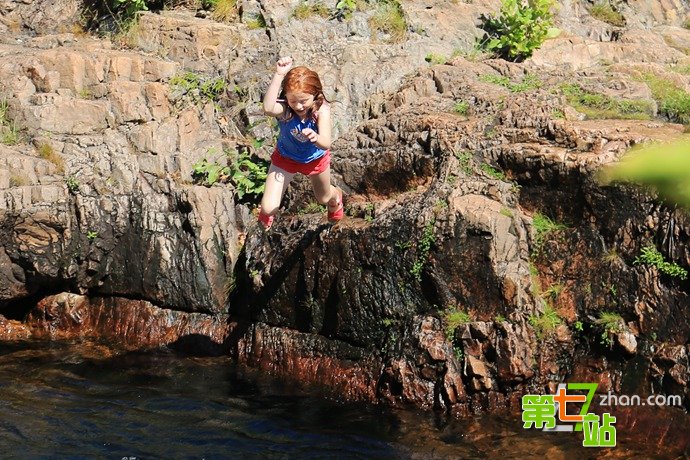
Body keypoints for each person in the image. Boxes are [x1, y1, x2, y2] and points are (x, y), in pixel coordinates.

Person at [257, 56, 344, 229]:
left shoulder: (321, 109)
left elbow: (326, 142)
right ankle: (266, 213)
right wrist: (279, 75)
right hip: (285, 158)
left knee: (323, 198)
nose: (298, 106)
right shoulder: (285, 110)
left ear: (315, 95)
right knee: (268, 208)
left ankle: (336, 197)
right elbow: (267, 108)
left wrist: (315, 137)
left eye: (303, 101)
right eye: (293, 101)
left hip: (315, 159)